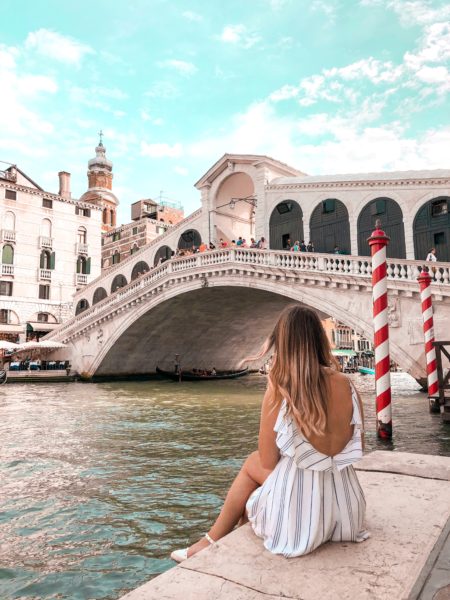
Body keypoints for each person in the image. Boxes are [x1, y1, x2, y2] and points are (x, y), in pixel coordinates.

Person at [170, 306, 368, 562]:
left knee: (252, 465)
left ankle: (208, 541)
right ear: (320, 339)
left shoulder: (280, 389)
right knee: (257, 491)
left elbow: (267, 460)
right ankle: (212, 541)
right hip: (347, 513)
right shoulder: (347, 384)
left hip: (300, 525)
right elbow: (357, 446)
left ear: (282, 343)